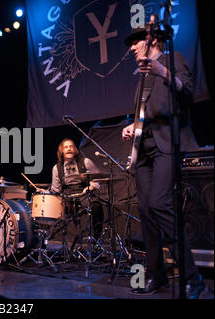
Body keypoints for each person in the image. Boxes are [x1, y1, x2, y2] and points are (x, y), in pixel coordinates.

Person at [122, 27, 205, 298]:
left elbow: (188, 92)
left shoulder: (172, 60)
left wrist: (163, 72)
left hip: (166, 144)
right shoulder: (140, 80)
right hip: (144, 152)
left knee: (160, 203)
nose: (132, 48)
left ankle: (193, 277)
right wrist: (131, 126)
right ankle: (157, 275)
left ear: (152, 41)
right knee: (146, 212)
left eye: (136, 42)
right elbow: (144, 116)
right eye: (131, 44)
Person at [50, 138, 104, 241]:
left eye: (71, 146)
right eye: (66, 147)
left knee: (96, 205)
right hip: (67, 195)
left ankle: (97, 237)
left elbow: (97, 178)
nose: (69, 149)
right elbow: (56, 189)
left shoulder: (85, 162)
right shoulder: (56, 168)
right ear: (61, 151)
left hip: (84, 192)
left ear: (75, 149)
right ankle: (66, 240)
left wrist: (91, 186)